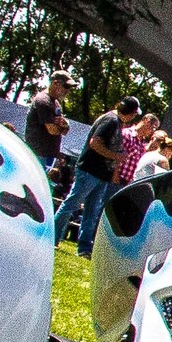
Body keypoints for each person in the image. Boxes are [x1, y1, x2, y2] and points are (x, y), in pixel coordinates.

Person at [61, 96, 136, 256]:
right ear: (131, 114)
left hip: (102, 175)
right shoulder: (110, 120)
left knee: (91, 212)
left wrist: (117, 154)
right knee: (71, 204)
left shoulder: (115, 122)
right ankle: (52, 236)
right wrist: (115, 156)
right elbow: (94, 143)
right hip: (89, 171)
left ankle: (84, 249)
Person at [25, 71, 72, 168]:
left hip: (48, 154)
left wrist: (66, 125)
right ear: (55, 83)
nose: (68, 91)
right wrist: (62, 128)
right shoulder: (43, 101)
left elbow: (64, 130)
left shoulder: (56, 103)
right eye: (66, 87)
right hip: (38, 153)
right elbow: (53, 130)